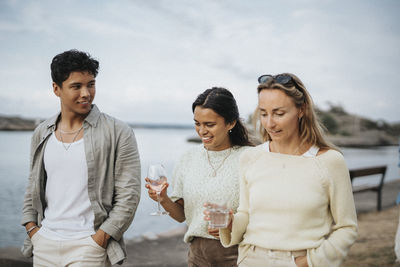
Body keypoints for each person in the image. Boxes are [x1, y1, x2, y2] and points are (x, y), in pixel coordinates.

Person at [211, 73, 358, 267]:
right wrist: (229, 222)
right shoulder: (250, 158)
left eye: (279, 113)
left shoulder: (330, 161)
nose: (270, 123)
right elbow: (246, 214)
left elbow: (347, 228)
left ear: (301, 109)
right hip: (251, 259)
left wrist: (308, 262)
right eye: (263, 113)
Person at [21, 49, 141, 266]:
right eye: (76, 86)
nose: (86, 93)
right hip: (44, 243)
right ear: (56, 89)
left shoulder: (118, 131)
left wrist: (100, 239)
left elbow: (129, 194)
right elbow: (33, 185)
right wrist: (32, 228)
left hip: (89, 247)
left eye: (91, 84)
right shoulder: (42, 132)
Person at [145, 87, 253, 266]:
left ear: (231, 123)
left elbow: (266, 213)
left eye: (210, 124)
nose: (202, 131)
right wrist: (163, 199)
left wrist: (233, 225)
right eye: (197, 123)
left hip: (239, 254)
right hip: (197, 256)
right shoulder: (188, 158)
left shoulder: (250, 157)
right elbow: (181, 216)